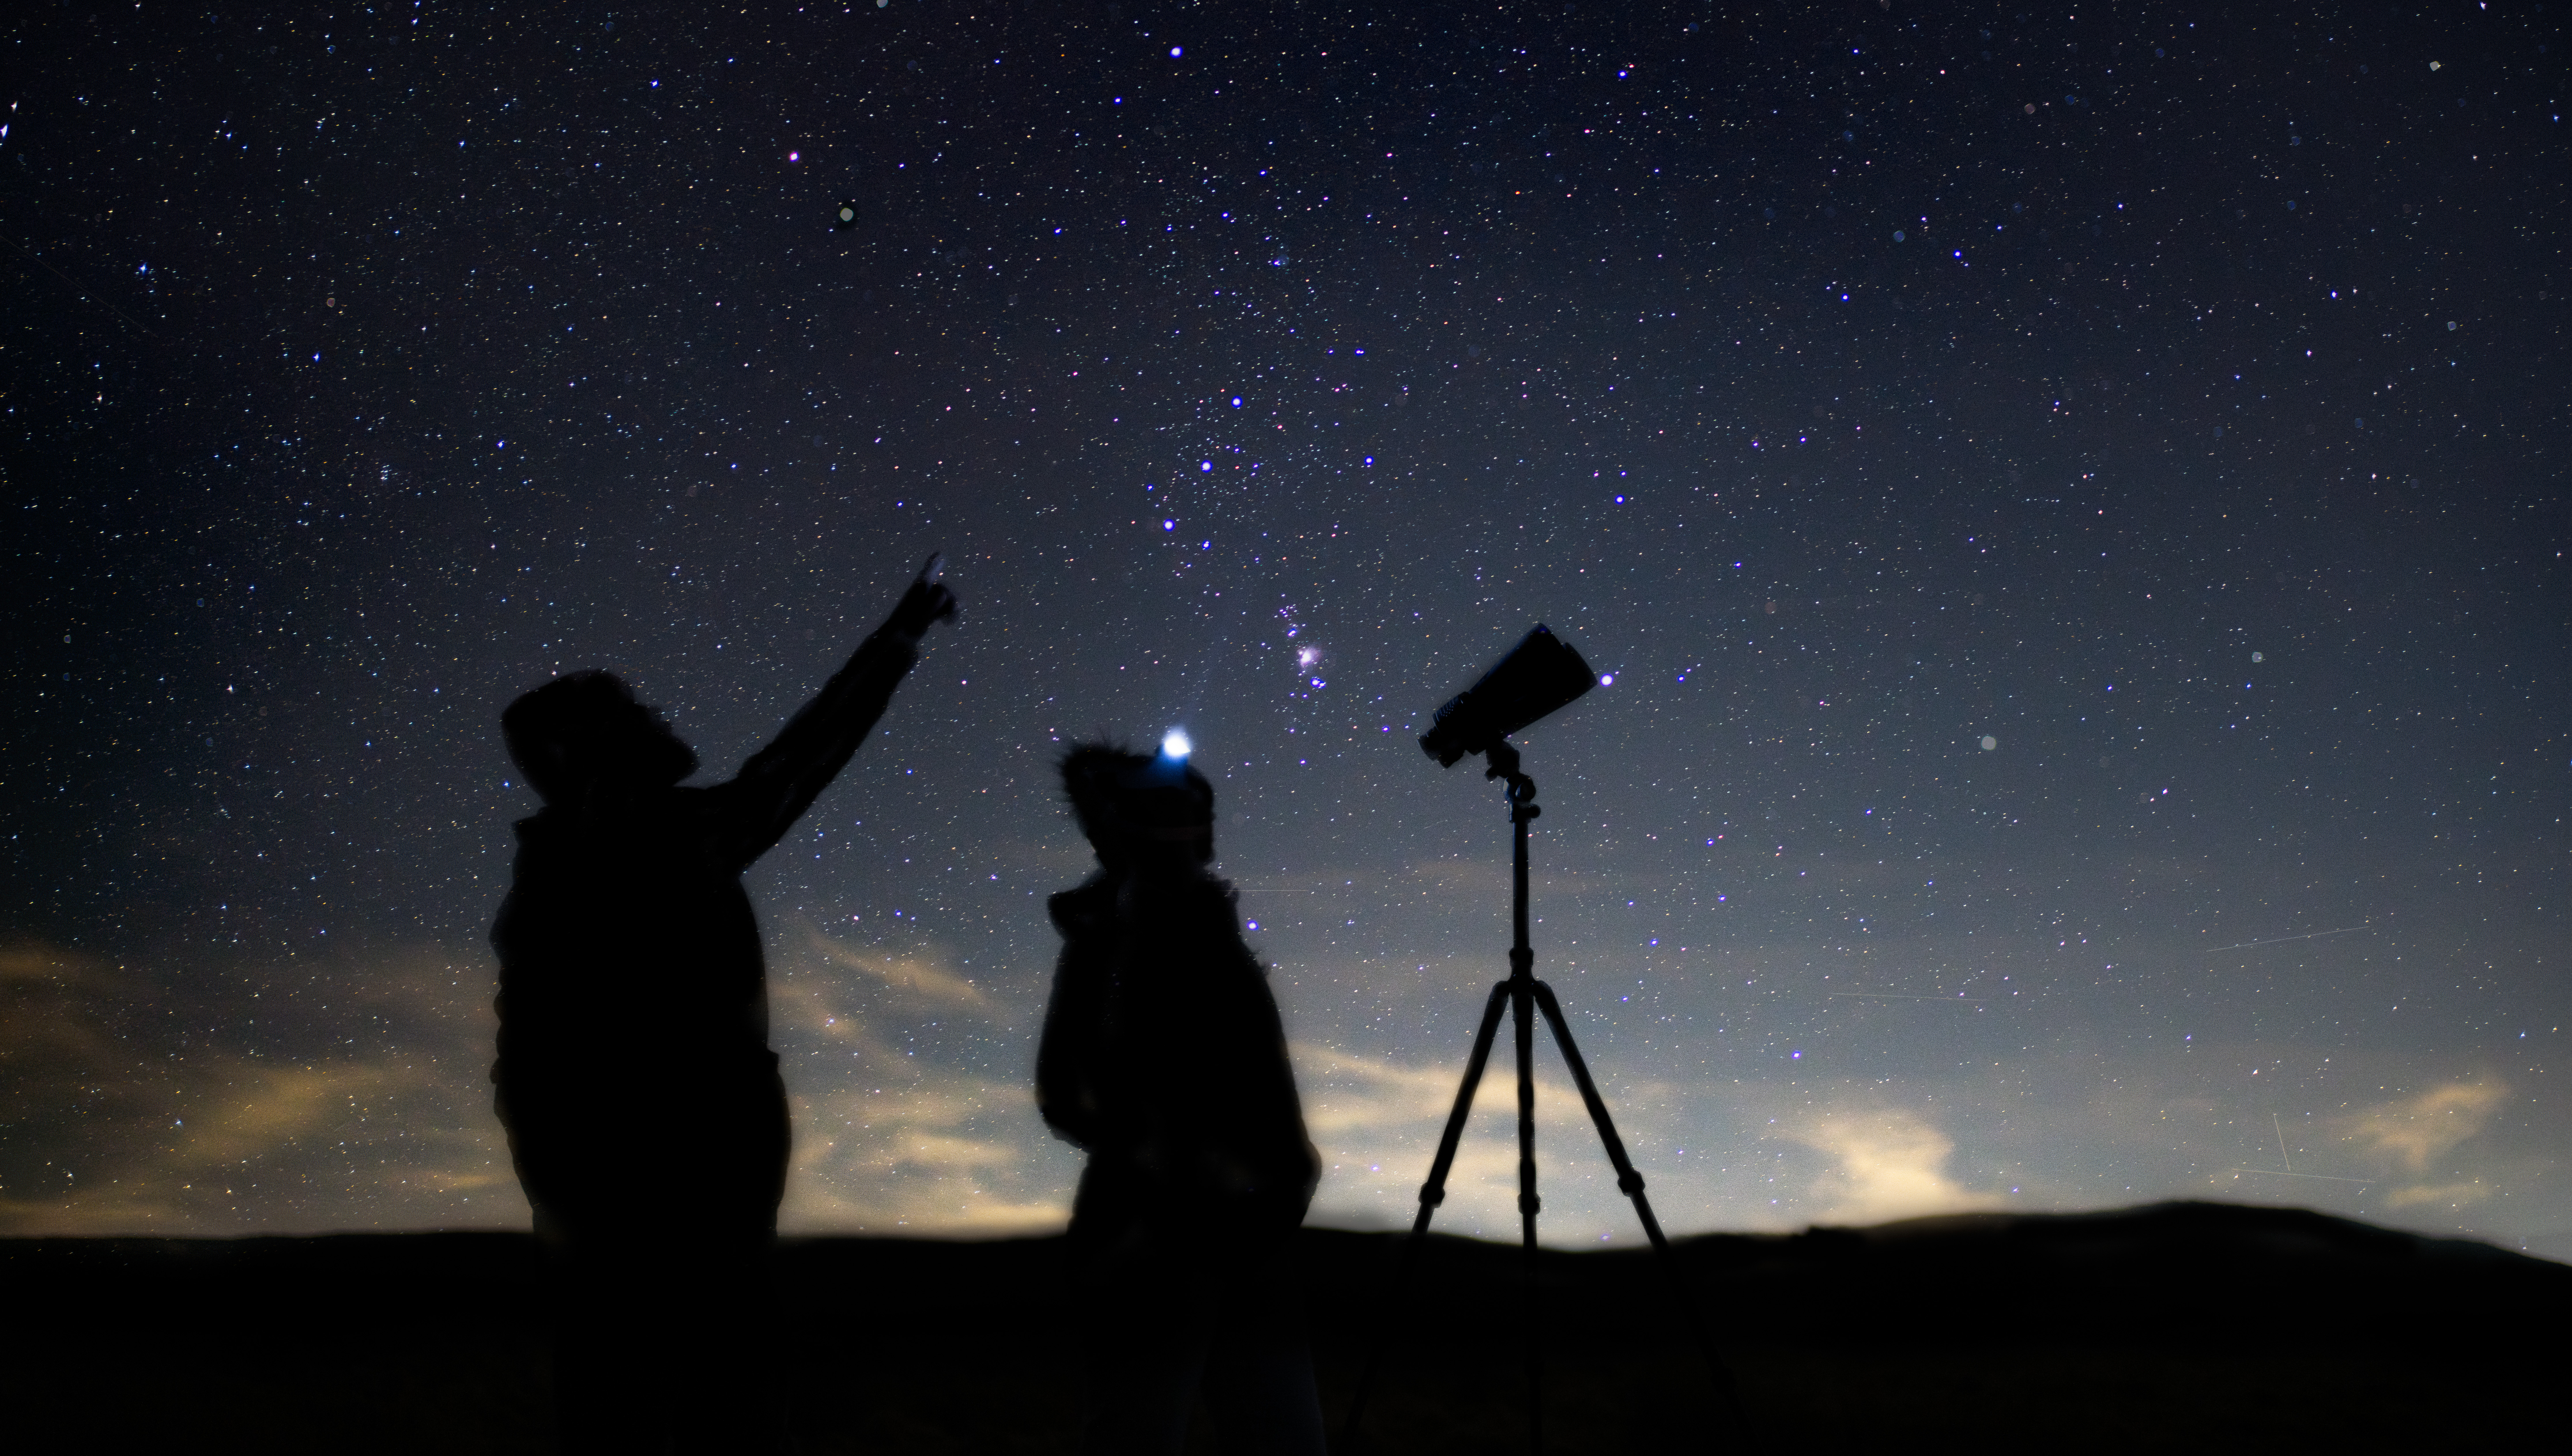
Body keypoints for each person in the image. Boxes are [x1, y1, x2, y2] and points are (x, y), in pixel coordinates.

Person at [489, 560, 957, 1455]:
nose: (658, 717)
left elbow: (524, 1057)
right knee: (707, 1381)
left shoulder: (559, 872)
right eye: (632, 714)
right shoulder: (662, 848)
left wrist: (555, 1175)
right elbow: (799, 763)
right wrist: (892, 646)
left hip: (621, 1174)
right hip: (680, 1161)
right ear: (599, 751)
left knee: (627, 1382)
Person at [1036, 741, 1328, 1456]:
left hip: (1247, 1237)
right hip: (1153, 1242)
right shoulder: (1108, 939)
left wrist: (1283, 1176)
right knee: (1138, 1434)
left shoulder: (1204, 933)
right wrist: (1167, 1169)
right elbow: (1064, 1091)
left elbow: (1264, 1086)